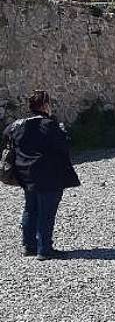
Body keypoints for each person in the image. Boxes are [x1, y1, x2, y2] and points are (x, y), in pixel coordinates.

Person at [2, 90, 80, 260]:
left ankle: (29, 245)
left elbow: (7, 136)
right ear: (45, 105)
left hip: (25, 174)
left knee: (31, 208)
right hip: (48, 175)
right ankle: (44, 249)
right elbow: (63, 146)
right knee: (46, 211)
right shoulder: (50, 125)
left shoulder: (18, 124)